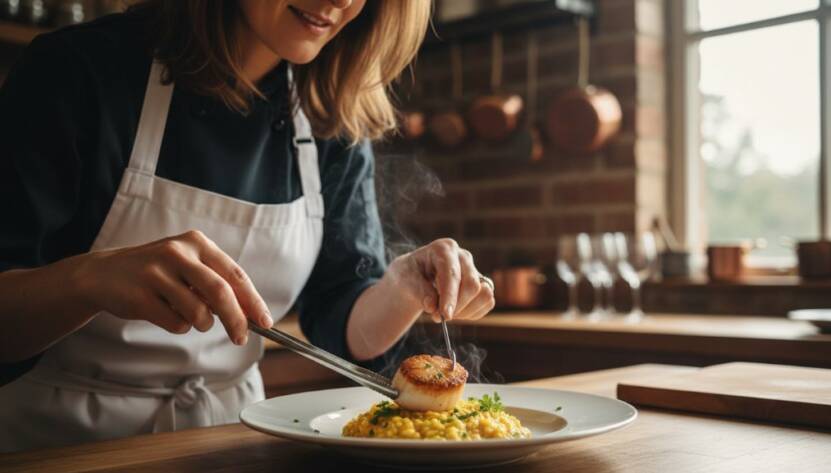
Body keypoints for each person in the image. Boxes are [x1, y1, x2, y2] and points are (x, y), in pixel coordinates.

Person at [0, 0, 495, 452]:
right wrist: (87, 281)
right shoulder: (76, 70)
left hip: (233, 441)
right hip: (57, 446)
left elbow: (343, 323)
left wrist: (403, 288)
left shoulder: (328, 119)